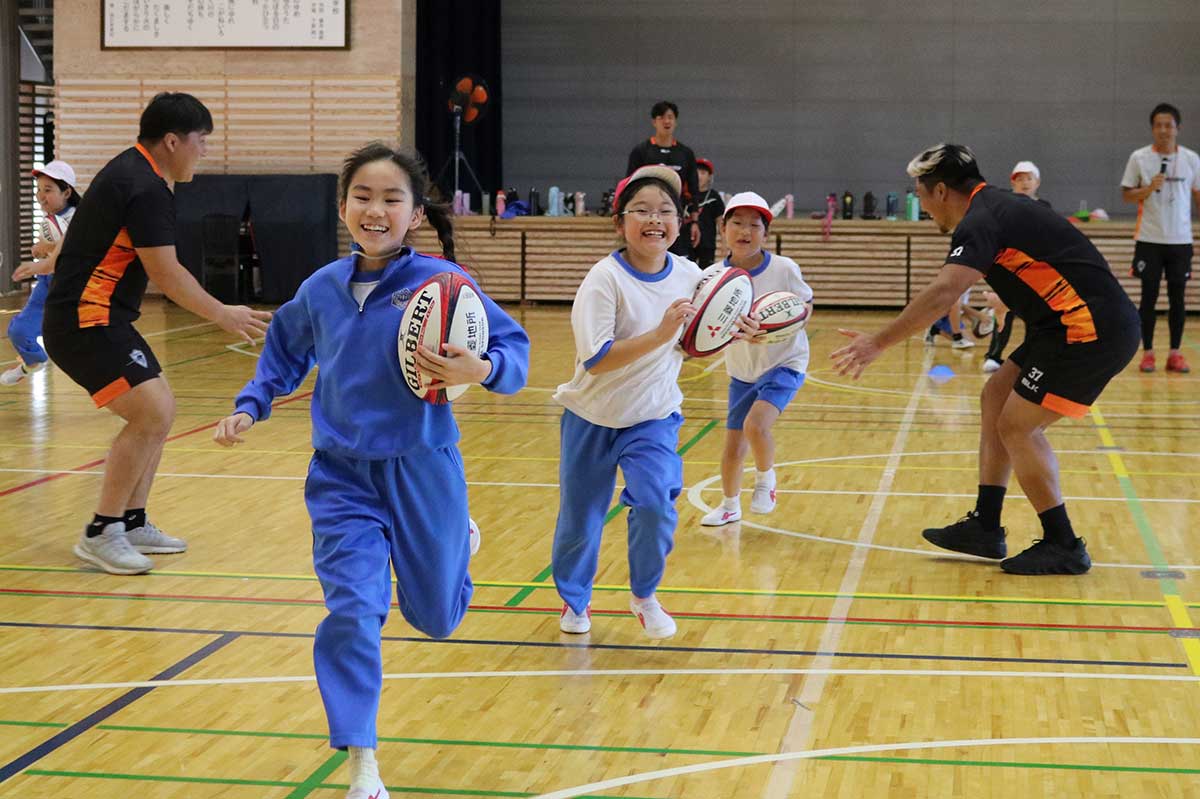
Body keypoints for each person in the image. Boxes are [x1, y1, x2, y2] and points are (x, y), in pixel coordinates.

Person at [213, 142, 530, 799]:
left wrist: (484, 368)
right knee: (355, 610)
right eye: (363, 196)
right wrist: (252, 405)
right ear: (343, 207)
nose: (375, 209)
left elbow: (513, 349)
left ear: (415, 214)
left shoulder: (444, 283)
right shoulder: (321, 289)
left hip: (424, 468)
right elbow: (283, 351)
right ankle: (362, 762)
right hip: (341, 478)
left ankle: (455, 540)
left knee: (439, 616)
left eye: (391, 198)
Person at [832, 144, 1140, 575]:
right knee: (996, 395)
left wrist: (877, 343)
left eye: (920, 195)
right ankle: (986, 526)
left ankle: (1063, 543)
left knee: (1019, 425)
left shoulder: (981, 219)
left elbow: (945, 292)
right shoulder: (993, 209)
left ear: (940, 191)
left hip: (1087, 329)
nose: (922, 207)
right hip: (1060, 326)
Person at [41, 92, 271, 576]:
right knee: (152, 412)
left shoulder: (136, 172)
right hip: (84, 319)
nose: (203, 152)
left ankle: (131, 519)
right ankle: (102, 532)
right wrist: (222, 314)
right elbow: (166, 275)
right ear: (171, 141)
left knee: (160, 411)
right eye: (200, 141)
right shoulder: (142, 185)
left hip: (104, 317)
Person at [552, 164, 703, 638]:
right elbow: (596, 359)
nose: (654, 219)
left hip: (654, 416)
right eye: (641, 210)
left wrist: (741, 332)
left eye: (665, 211)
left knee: (656, 503)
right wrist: (661, 333)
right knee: (581, 520)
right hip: (591, 416)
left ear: (681, 223)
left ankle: (644, 596)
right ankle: (575, 601)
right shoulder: (603, 280)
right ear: (619, 223)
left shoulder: (692, 276)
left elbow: (701, 337)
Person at [701, 191, 813, 527]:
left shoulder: (784, 269)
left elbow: (806, 307)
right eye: (737, 222)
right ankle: (729, 505)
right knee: (733, 445)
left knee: (755, 425)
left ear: (765, 233)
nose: (745, 231)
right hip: (742, 370)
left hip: (784, 362)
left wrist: (771, 329)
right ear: (723, 229)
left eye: (754, 225)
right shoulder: (710, 277)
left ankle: (766, 482)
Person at [1121, 102, 1200, 373]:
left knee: (1178, 298)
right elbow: (1127, 195)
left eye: (1169, 125)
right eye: (1158, 125)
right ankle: (1148, 353)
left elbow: (1198, 196)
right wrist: (1147, 189)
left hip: (1181, 241)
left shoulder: (1191, 159)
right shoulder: (1139, 158)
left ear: (1178, 128)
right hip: (1149, 239)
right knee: (1148, 297)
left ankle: (1175, 353)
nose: (1164, 130)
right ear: (1152, 128)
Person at [2, 161, 80, 385]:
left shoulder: (80, 219)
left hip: (73, 286)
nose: (40, 196)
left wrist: (46, 249)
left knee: (71, 338)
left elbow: (72, 252)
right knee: (18, 330)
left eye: (48, 190)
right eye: (38, 190)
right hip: (47, 282)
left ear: (66, 192)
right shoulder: (49, 219)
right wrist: (40, 248)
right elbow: (47, 249)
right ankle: (32, 362)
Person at [982, 161, 1052, 372]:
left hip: (1038, 270)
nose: (1024, 183)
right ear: (1012, 184)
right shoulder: (1006, 206)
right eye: (1019, 179)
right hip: (1012, 268)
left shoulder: (1045, 208)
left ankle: (1032, 357)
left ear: (1037, 182)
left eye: (1028, 178)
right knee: (1003, 309)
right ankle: (993, 355)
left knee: (1036, 314)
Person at [626, 101, 701, 257]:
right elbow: (630, 186)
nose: (667, 121)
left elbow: (693, 189)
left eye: (670, 117)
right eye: (661, 117)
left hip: (678, 218)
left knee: (680, 260)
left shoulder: (685, 153)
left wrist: (695, 222)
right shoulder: (641, 151)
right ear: (654, 122)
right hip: (648, 219)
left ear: (675, 121)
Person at [693, 158, 725, 267]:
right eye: (696, 172)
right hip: (686, 243)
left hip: (707, 244)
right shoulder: (685, 196)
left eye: (703, 173)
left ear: (709, 177)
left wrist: (724, 243)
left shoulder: (714, 197)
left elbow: (720, 221)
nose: (699, 176)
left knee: (706, 273)